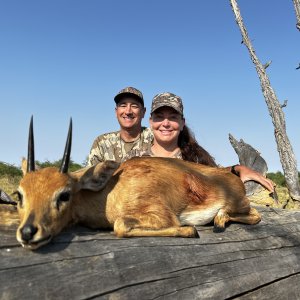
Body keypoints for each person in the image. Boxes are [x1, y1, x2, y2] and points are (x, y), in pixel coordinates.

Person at [88, 88, 274, 192]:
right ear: (151, 122)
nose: (166, 123)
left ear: (182, 123)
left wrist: (237, 169)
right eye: (159, 117)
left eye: (173, 117)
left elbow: (212, 173)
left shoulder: (193, 158)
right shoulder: (134, 160)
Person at [88, 87, 153, 165]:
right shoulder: (102, 143)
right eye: (123, 105)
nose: (128, 111)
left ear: (143, 112)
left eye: (134, 106)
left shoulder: (155, 137)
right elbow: (92, 175)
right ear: (116, 112)